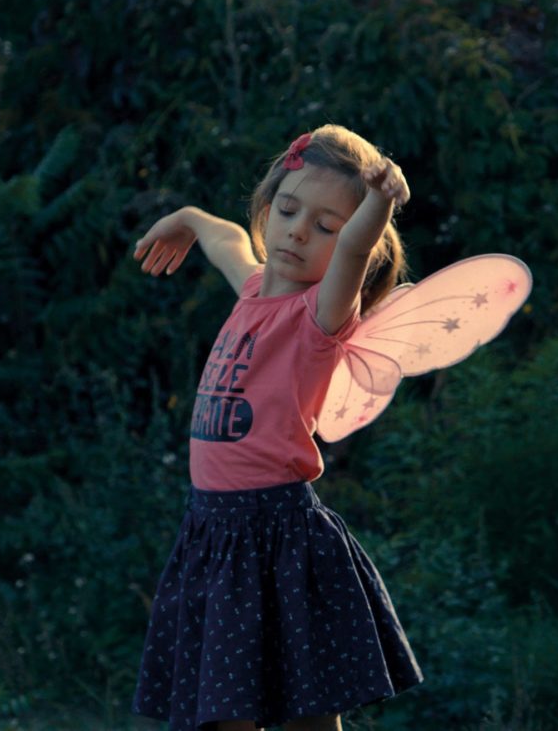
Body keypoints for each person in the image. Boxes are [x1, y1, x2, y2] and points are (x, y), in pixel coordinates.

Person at [130, 124, 424, 731]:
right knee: (222, 710)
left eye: (325, 225)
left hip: (276, 533)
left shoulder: (319, 316)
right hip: (213, 531)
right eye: (288, 210)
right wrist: (188, 218)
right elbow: (228, 239)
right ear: (269, 205)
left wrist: (380, 200)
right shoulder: (254, 288)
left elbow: (355, 249)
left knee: (308, 713)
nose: (297, 231)